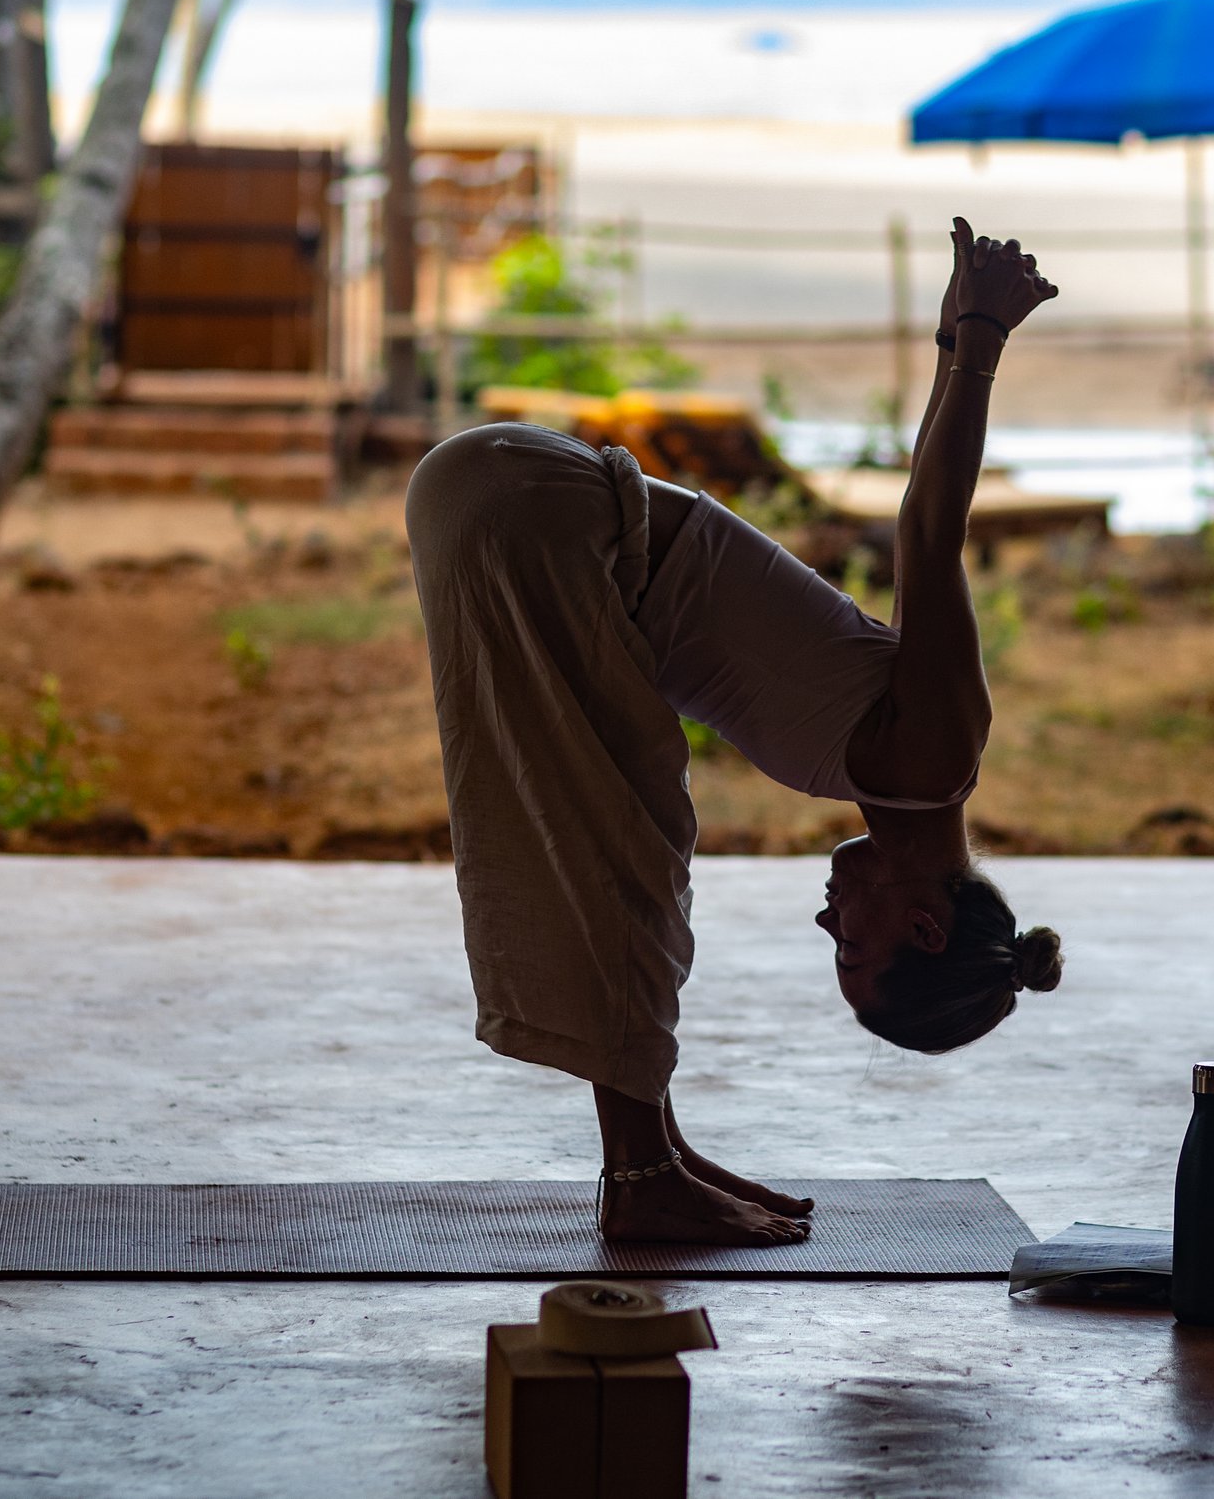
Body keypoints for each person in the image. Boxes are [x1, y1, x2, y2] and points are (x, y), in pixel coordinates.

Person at [406, 218, 1065, 1246]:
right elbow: (929, 531)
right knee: (618, 858)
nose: (825, 923)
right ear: (926, 925)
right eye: (852, 943)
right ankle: (641, 1174)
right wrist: (976, 338)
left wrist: (951, 338)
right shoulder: (935, 752)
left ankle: (653, 1154)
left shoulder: (901, 776)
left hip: (504, 501)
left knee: (616, 845)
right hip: (527, 510)